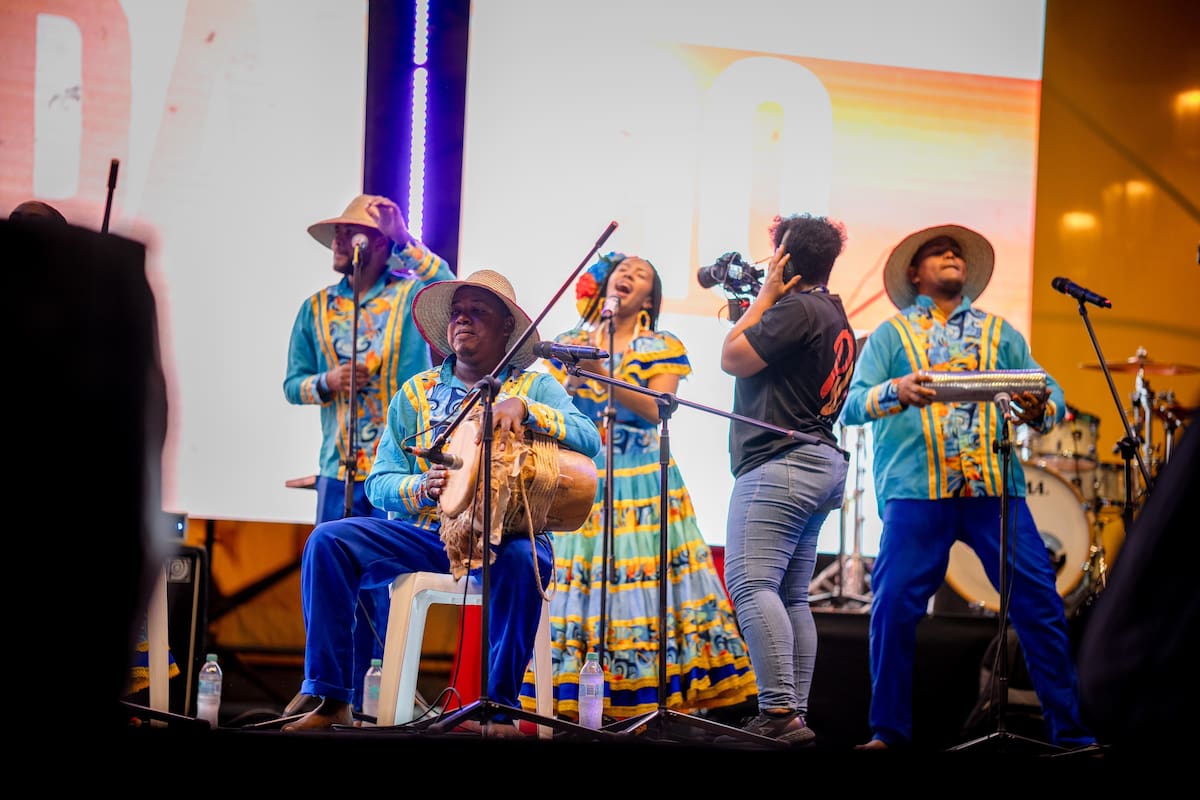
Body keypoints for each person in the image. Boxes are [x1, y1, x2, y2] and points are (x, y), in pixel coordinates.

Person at [281, 269, 601, 733]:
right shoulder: (416, 393)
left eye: (478, 312)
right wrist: (418, 488)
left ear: (507, 329)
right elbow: (379, 482)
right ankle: (332, 700)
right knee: (328, 541)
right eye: (457, 313)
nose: (462, 321)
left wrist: (526, 409)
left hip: (507, 536)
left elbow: (588, 437)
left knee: (524, 559)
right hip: (429, 536)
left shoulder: (534, 387)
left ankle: (500, 711)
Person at [841, 223, 1096, 751]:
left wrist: (1039, 407)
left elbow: (1049, 395)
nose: (951, 254)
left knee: (1040, 605)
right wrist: (895, 389)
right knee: (892, 605)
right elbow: (851, 403)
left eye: (955, 251)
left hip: (993, 491)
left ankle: (1070, 736)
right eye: (937, 251)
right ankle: (888, 734)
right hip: (917, 492)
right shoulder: (891, 336)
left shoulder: (1001, 333)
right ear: (914, 273)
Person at [534, 252, 757, 722]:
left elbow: (659, 408)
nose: (627, 275)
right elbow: (550, 408)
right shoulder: (572, 341)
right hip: (582, 481)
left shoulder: (661, 343)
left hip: (644, 480)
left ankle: (654, 703)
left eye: (640, 274)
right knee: (581, 589)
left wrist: (602, 378)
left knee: (647, 589)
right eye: (621, 271)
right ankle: (582, 701)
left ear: (650, 298)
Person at [282, 194, 454, 715]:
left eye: (348, 233)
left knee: (386, 586)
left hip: (396, 467)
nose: (337, 242)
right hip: (337, 467)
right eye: (335, 234)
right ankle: (327, 689)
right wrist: (326, 382)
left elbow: (444, 280)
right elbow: (292, 385)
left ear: (376, 245)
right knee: (329, 575)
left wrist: (405, 240)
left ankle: (386, 693)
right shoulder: (315, 308)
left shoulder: (406, 297)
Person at [717, 213, 857, 746]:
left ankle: (778, 714)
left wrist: (763, 298)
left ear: (786, 259)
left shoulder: (796, 307)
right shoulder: (831, 312)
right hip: (817, 461)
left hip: (782, 463)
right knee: (791, 595)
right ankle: (792, 717)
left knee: (752, 585)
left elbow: (734, 357)